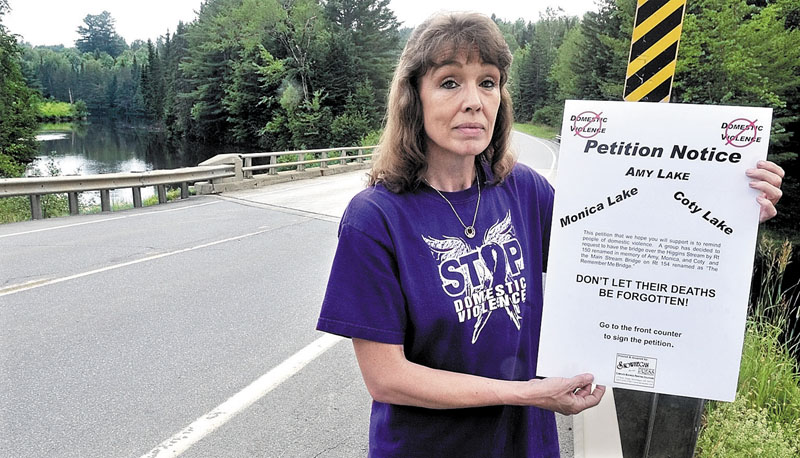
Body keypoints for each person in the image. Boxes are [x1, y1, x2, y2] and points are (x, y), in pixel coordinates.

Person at [316, 11, 784, 458]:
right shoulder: (375, 218)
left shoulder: (523, 190)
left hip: (527, 444)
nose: (474, 101)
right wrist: (525, 393)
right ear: (413, 97)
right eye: (449, 82)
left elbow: (618, 249)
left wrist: (731, 218)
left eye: (488, 82)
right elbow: (388, 379)